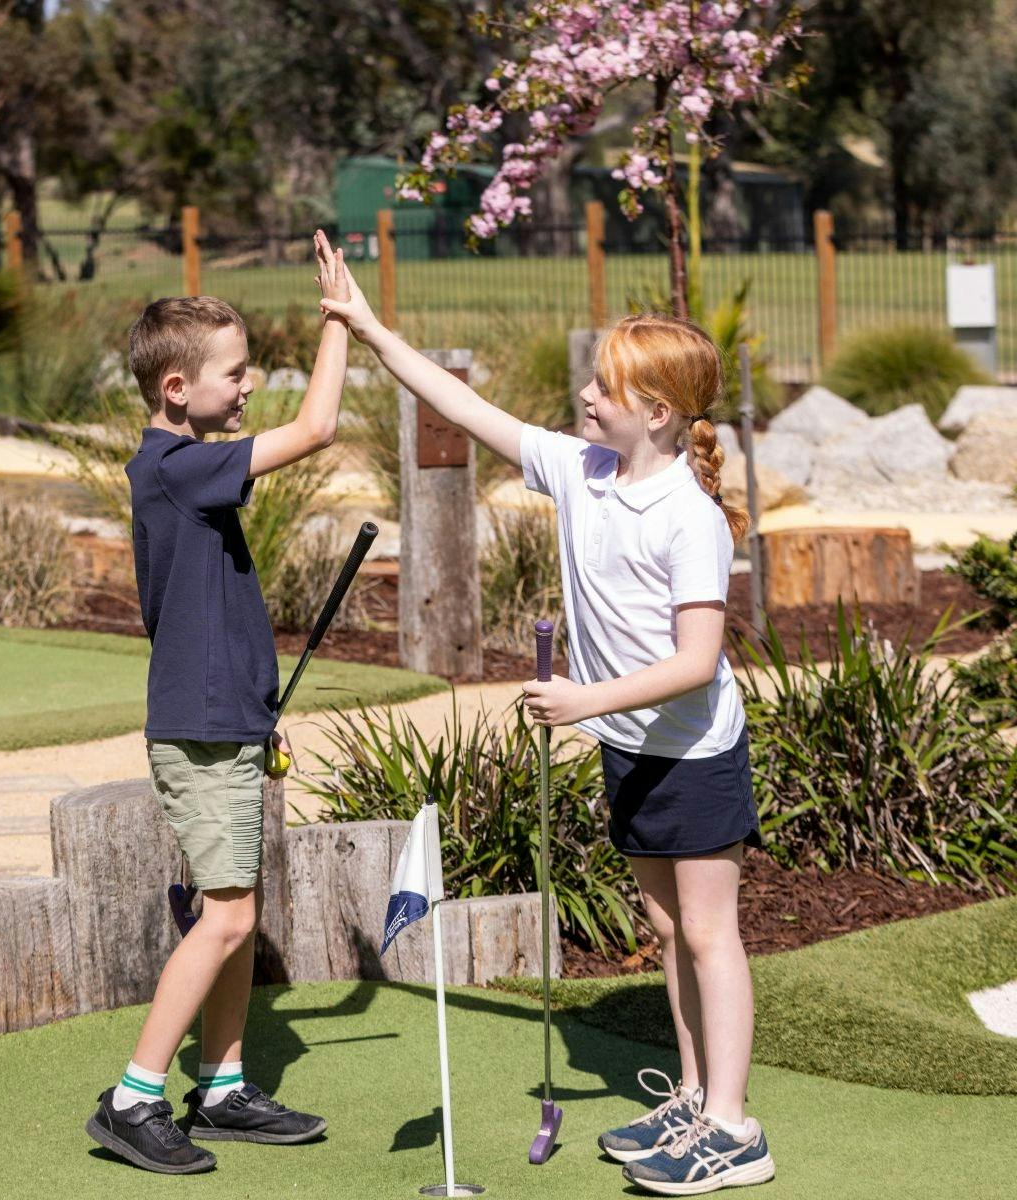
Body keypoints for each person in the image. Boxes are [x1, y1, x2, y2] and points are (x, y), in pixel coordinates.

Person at [318, 264, 771, 1195]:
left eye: (603, 388)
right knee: (663, 923)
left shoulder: (691, 516)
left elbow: (696, 661)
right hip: (631, 745)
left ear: (655, 411)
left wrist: (582, 701)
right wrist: (368, 326)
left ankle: (733, 1127)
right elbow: (459, 402)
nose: (584, 396)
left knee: (710, 933)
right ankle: (691, 1094)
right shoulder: (582, 467)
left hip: (692, 749)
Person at [85, 231, 349, 1175]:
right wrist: (340, 323)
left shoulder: (186, 466)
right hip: (198, 731)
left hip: (227, 722)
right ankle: (133, 1098)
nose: (247, 389)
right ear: (174, 389)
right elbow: (317, 430)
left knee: (239, 911)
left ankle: (226, 1086)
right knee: (229, 918)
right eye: (233, 375)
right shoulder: (176, 467)